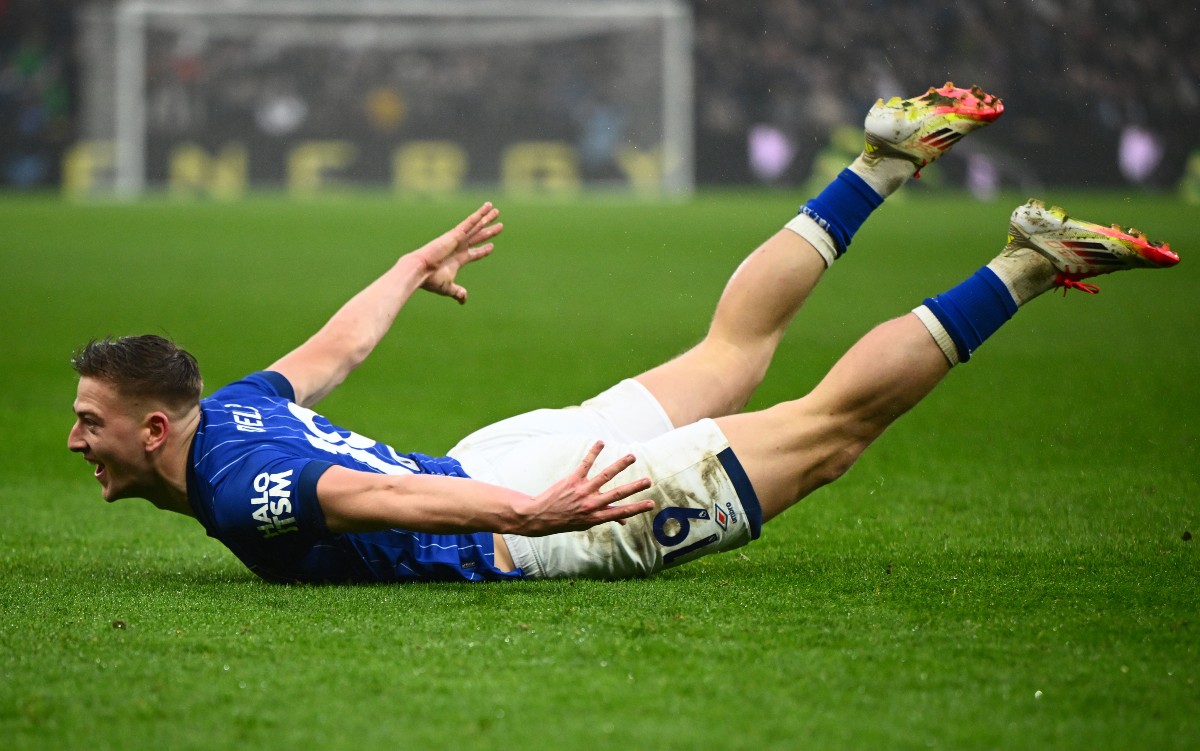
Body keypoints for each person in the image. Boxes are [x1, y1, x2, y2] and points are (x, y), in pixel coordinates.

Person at [68, 83, 1179, 583]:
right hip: (498, 455)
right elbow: (334, 353)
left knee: (826, 430)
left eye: (91, 421)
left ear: (157, 423)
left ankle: (1029, 263)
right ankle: (882, 160)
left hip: (519, 513)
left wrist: (532, 513)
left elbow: (377, 501)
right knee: (727, 358)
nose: (77, 441)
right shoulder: (244, 407)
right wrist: (406, 270)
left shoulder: (227, 481)